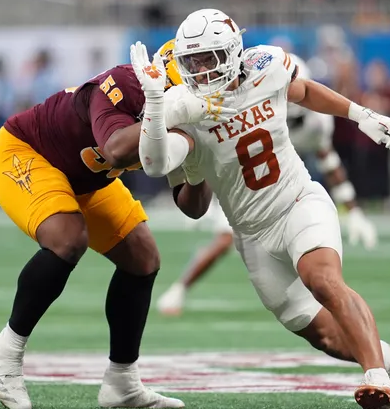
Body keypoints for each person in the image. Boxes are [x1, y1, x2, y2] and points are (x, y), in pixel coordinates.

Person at [132, 9, 390, 409]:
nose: (200, 70)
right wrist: (156, 107)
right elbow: (159, 171)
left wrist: (361, 114)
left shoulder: (264, 66)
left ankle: (376, 379)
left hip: (297, 202)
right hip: (251, 234)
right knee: (324, 337)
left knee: (323, 280)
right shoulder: (179, 104)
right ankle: (382, 359)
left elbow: (303, 90)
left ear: (231, 53)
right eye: (191, 62)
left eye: (208, 58)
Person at [0, 55, 235, 409]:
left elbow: (192, 206)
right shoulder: (126, 83)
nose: (209, 88)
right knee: (68, 239)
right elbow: (115, 150)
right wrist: (166, 113)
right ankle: (7, 350)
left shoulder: (194, 112)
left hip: (88, 178)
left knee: (143, 257)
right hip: (28, 152)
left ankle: (122, 381)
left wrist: (200, 156)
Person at [156, 50, 378, 316]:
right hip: (242, 188)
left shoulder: (316, 122)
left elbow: (328, 161)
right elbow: (222, 153)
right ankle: (180, 288)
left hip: (285, 190)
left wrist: (352, 210)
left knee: (308, 252)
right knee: (225, 238)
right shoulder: (256, 98)